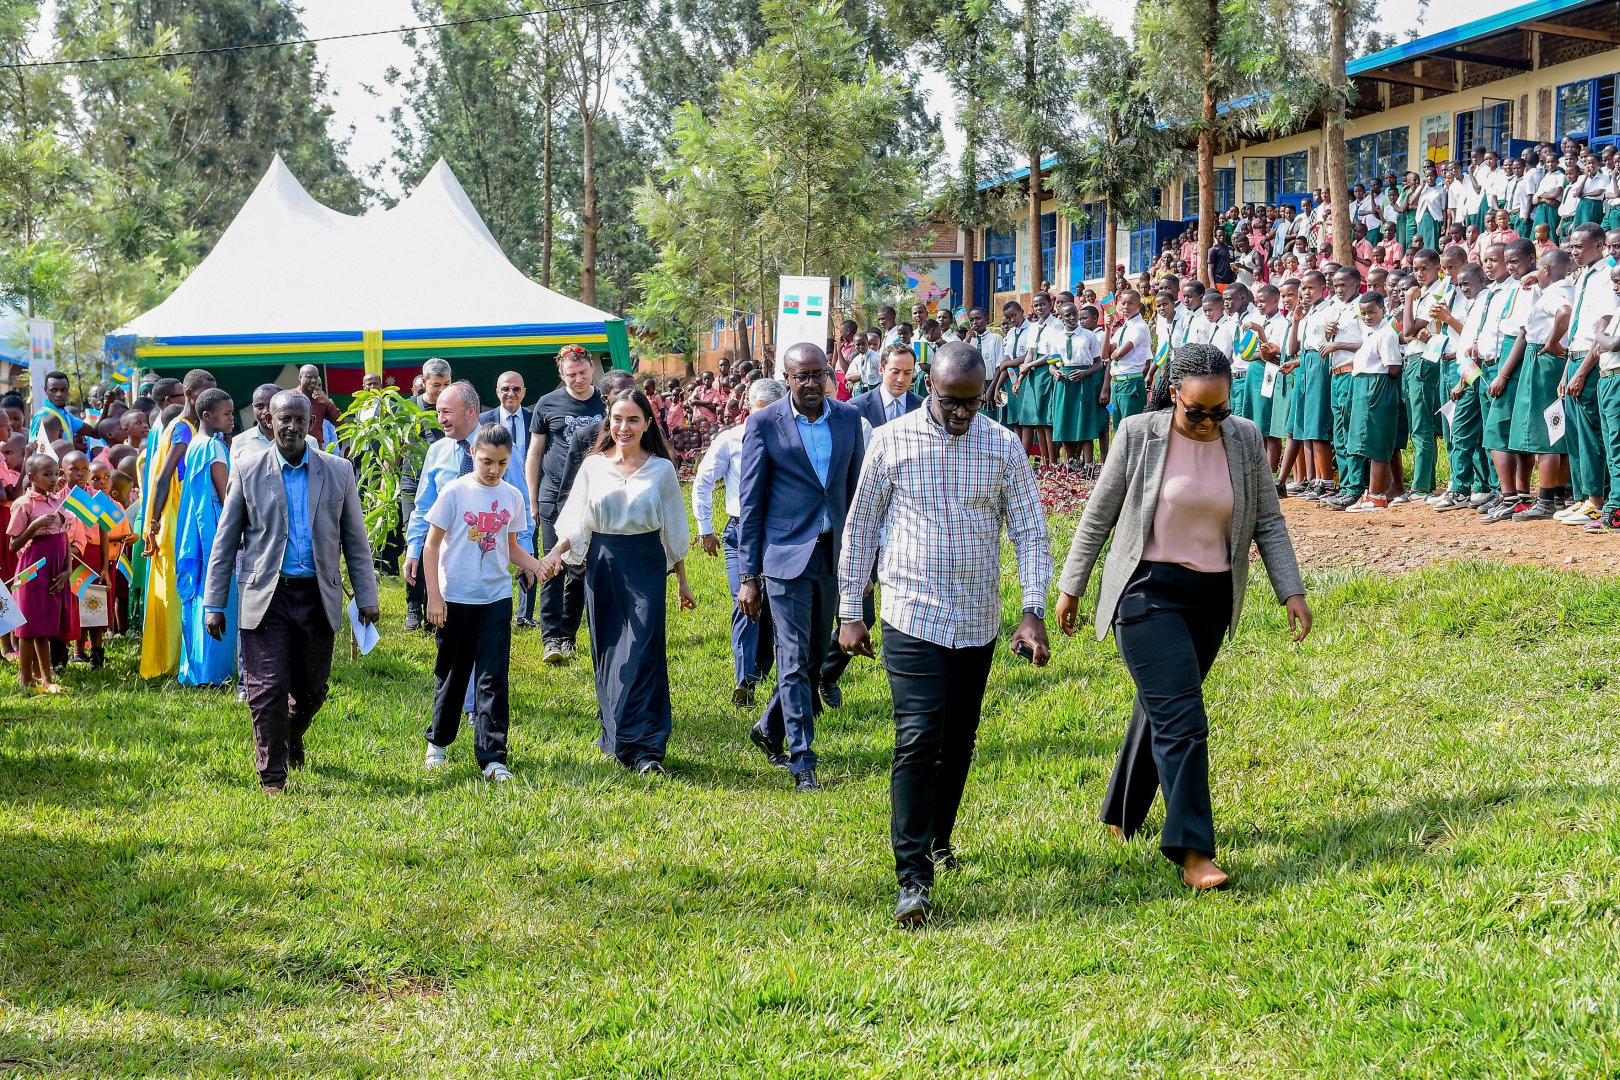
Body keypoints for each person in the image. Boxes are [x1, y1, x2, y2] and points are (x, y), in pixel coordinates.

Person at [1054, 343, 1310, 891]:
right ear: (1174, 393)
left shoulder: (1241, 439)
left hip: (1211, 599)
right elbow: (1099, 511)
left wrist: (1290, 590)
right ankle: (1193, 849)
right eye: (1197, 411)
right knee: (1184, 719)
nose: (1208, 422)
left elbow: (1269, 520)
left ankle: (1121, 814)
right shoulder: (1138, 434)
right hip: (1146, 594)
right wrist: (1071, 585)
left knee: (1161, 707)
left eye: (1219, 411)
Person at [837, 341, 1052, 925]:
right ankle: (912, 877)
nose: (962, 414)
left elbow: (1031, 532)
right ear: (927, 387)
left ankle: (938, 836)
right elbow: (860, 531)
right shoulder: (891, 441)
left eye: (972, 402)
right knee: (918, 738)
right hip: (910, 613)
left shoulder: (1002, 446)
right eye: (951, 401)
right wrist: (849, 609)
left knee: (957, 740)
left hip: (978, 617)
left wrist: (1032, 610)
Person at [202, 391, 380, 794]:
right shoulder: (247, 469)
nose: (293, 427)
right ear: (269, 419)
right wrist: (215, 603)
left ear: (311, 424)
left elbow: (355, 540)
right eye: (285, 419)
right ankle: (272, 776)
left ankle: (292, 732)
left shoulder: (338, 471)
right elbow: (225, 541)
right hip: (267, 597)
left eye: (301, 420)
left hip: (318, 596)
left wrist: (367, 596)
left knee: (312, 691)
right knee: (266, 689)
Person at [540, 389, 696, 775]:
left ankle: (648, 749)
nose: (623, 427)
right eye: (617, 419)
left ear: (646, 424)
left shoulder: (661, 470)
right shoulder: (593, 467)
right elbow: (576, 521)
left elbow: (674, 529)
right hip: (603, 565)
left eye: (633, 420)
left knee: (643, 651)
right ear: (608, 422)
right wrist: (554, 554)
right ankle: (617, 736)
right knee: (610, 650)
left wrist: (682, 582)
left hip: (645, 565)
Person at [736, 343, 865, 791]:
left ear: (829, 374)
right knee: (792, 657)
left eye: (818, 374)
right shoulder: (763, 424)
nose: (811, 384)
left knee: (813, 658)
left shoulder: (848, 420)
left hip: (833, 554)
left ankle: (768, 727)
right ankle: (802, 756)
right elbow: (751, 503)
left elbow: (855, 495)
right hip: (785, 556)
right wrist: (750, 575)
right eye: (801, 376)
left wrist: (863, 561)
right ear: (787, 378)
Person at [422, 422, 547, 783]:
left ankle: (492, 757)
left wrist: (535, 566)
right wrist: (434, 595)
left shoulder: (511, 496)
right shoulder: (455, 492)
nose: (494, 470)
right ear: (473, 454)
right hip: (455, 599)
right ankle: (440, 742)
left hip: (495, 599)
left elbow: (510, 547)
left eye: (502, 463)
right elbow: (431, 546)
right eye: (487, 461)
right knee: (453, 673)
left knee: (493, 679)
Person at [822, 346, 920, 704]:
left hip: (902, 520)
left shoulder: (922, 408)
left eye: (908, 373)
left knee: (869, 615)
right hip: (859, 515)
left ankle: (826, 673)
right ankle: (821, 675)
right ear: (881, 369)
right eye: (895, 371)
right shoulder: (856, 410)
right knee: (851, 605)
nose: (901, 379)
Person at [693, 379, 786, 707]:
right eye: (759, 412)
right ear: (748, 408)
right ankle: (744, 678)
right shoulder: (731, 439)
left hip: (781, 531)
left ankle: (769, 671)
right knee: (745, 601)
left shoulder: (792, 438)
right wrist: (705, 528)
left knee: (778, 606)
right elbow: (703, 480)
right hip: (741, 531)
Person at [525, 345, 605, 664]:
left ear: (591, 370)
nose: (578, 379)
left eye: (583, 372)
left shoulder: (605, 402)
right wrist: (532, 497)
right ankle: (551, 638)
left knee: (580, 568)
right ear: (562, 373)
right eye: (571, 374)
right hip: (553, 497)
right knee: (551, 565)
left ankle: (569, 635)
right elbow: (534, 453)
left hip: (593, 499)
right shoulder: (547, 404)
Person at [141, 368, 215, 679]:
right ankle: (172, 660)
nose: (209, 401)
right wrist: (154, 520)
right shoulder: (183, 429)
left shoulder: (176, 425)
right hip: (174, 515)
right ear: (189, 395)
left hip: (175, 512)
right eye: (204, 395)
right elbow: (161, 478)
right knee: (176, 586)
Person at [175, 388, 237, 686]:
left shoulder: (195, 444)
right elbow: (226, 494)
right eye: (226, 414)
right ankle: (214, 671)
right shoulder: (213, 448)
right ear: (206, 415)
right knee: (216, 593)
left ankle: (196, 667)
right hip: (212, 525)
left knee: (200, 594)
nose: (231, 419)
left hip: (195, 526)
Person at [8, 454, 73, 693]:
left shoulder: (58, 501)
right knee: (28, 625)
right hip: (32, 568)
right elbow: (13, 545)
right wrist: (34, 527)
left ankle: (46, 678)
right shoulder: (24, 504)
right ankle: (26, 679)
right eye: (47, 475)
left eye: (56, 473)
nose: (54, 479)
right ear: (32, 477)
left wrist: (67, 569)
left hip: (56, 567)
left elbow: (64, 535)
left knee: (44, 625)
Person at [479, 371, 538, 629]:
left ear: (524, 392)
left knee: (528, 547)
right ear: (497, 391)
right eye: (505, 389)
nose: (510, 394)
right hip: (492, 493)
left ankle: (525, 614)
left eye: (516, 389)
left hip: (526, 495)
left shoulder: (534, 419)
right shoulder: (484, 421)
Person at [400, 357, 451, 630]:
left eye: (446, 384)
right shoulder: (408, 409)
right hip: (412, 481)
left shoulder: (453, 406)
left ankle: (436, 599)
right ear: (423, 382)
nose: (441, 390)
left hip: (443, 484)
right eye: (436, 385)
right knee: (416, 539)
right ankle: (412, 604)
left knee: (440, 541)